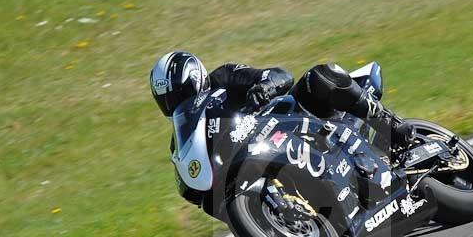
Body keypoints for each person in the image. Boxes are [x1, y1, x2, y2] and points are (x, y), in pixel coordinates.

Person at [149, 51, 415, 148]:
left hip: (294, 118)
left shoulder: (224, 77)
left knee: (319, 76)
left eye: (179, 94)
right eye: (168, 100)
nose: (175, 103)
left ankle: (389, 124)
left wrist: (264, 88)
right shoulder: (183, 140)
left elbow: (280, 75)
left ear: (195, 78)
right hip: (261, 155)